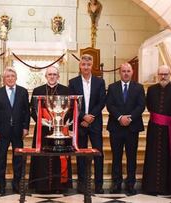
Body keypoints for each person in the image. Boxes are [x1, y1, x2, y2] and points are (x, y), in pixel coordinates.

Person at [28, 66, 72, 193]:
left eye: (54, 74)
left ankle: (59, 186)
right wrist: (41, 120)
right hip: (43, 130)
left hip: (60, 129)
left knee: (59, 156)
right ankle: (42, 186)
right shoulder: (38, 90)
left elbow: (70, 109)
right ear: (46, 76)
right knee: (42, 157)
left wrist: (61, 121)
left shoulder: (65, 90)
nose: (52, 77)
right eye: (49, 74)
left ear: (58, 76)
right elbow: (33, 110)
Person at [68, 54, 106, 194]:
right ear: (80, 65)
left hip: (95, 122)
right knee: (81, 154)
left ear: (92, 66)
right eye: (83, 64)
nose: (85, 67)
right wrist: (83, 116)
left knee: (98, 154)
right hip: (80, 123)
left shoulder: (99, 82)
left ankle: (99, 184)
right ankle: (82, 184)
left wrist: (91, 116)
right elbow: (72, 102)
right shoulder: (73, 82)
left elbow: (102, 101)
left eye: (88, 65)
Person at [106, 62, 145, 196]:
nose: (126, 73)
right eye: (123, 71)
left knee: (131, 157)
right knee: (116, 157)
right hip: (116, 127)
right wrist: (120, 117)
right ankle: (116, 183)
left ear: (132, 72)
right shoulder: (112, 87)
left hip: (132, 128)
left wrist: (130, 118)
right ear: (120, 72)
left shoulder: (139, 88)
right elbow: (109, 105)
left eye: (128, 71)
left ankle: (130, 184)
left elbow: (141, 106)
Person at [0, 67, 30, 195]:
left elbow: (26, 112)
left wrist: (26, 127)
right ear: (4, 79)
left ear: (16, 77)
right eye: (7, 76)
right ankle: (1, 184)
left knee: (18, 159)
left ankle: (17, 183)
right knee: (1, 158)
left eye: (12, 76)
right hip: (2, 131)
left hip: (18, 131)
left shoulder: (23, 92)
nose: (10, 78)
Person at [142, 65, 171, 195]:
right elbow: (149, 106)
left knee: (168, 156)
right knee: (152, 155)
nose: (163, 77)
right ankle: (151, 187)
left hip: (170, 129)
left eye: (165, 74)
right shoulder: (151, 90)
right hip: (154, 128)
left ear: (170, 74)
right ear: (158, 74)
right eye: (161, 74)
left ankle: (167, 187)